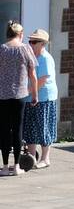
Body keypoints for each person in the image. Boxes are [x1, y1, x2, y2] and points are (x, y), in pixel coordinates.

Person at [0, 21, 38, 176]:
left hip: (2, 95)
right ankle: (16, 167)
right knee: (17, 130)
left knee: (3, 130)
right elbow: (33, 76)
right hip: (20, 96)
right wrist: (35, 95)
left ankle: (3, 167)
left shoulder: (2, 49)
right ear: (20, 34)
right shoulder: (25, 49)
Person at [23, 30, 58, 168]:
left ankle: (45, 158)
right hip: (31, 97)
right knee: (30, 127)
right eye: (30, 41)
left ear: (42, 44)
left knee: (43, 127)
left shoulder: (45, 58)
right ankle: (31, 157)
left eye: (34, 42)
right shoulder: (32, 57)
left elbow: (42, 80)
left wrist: (28, 91)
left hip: (44, 98)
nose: (31, 44)